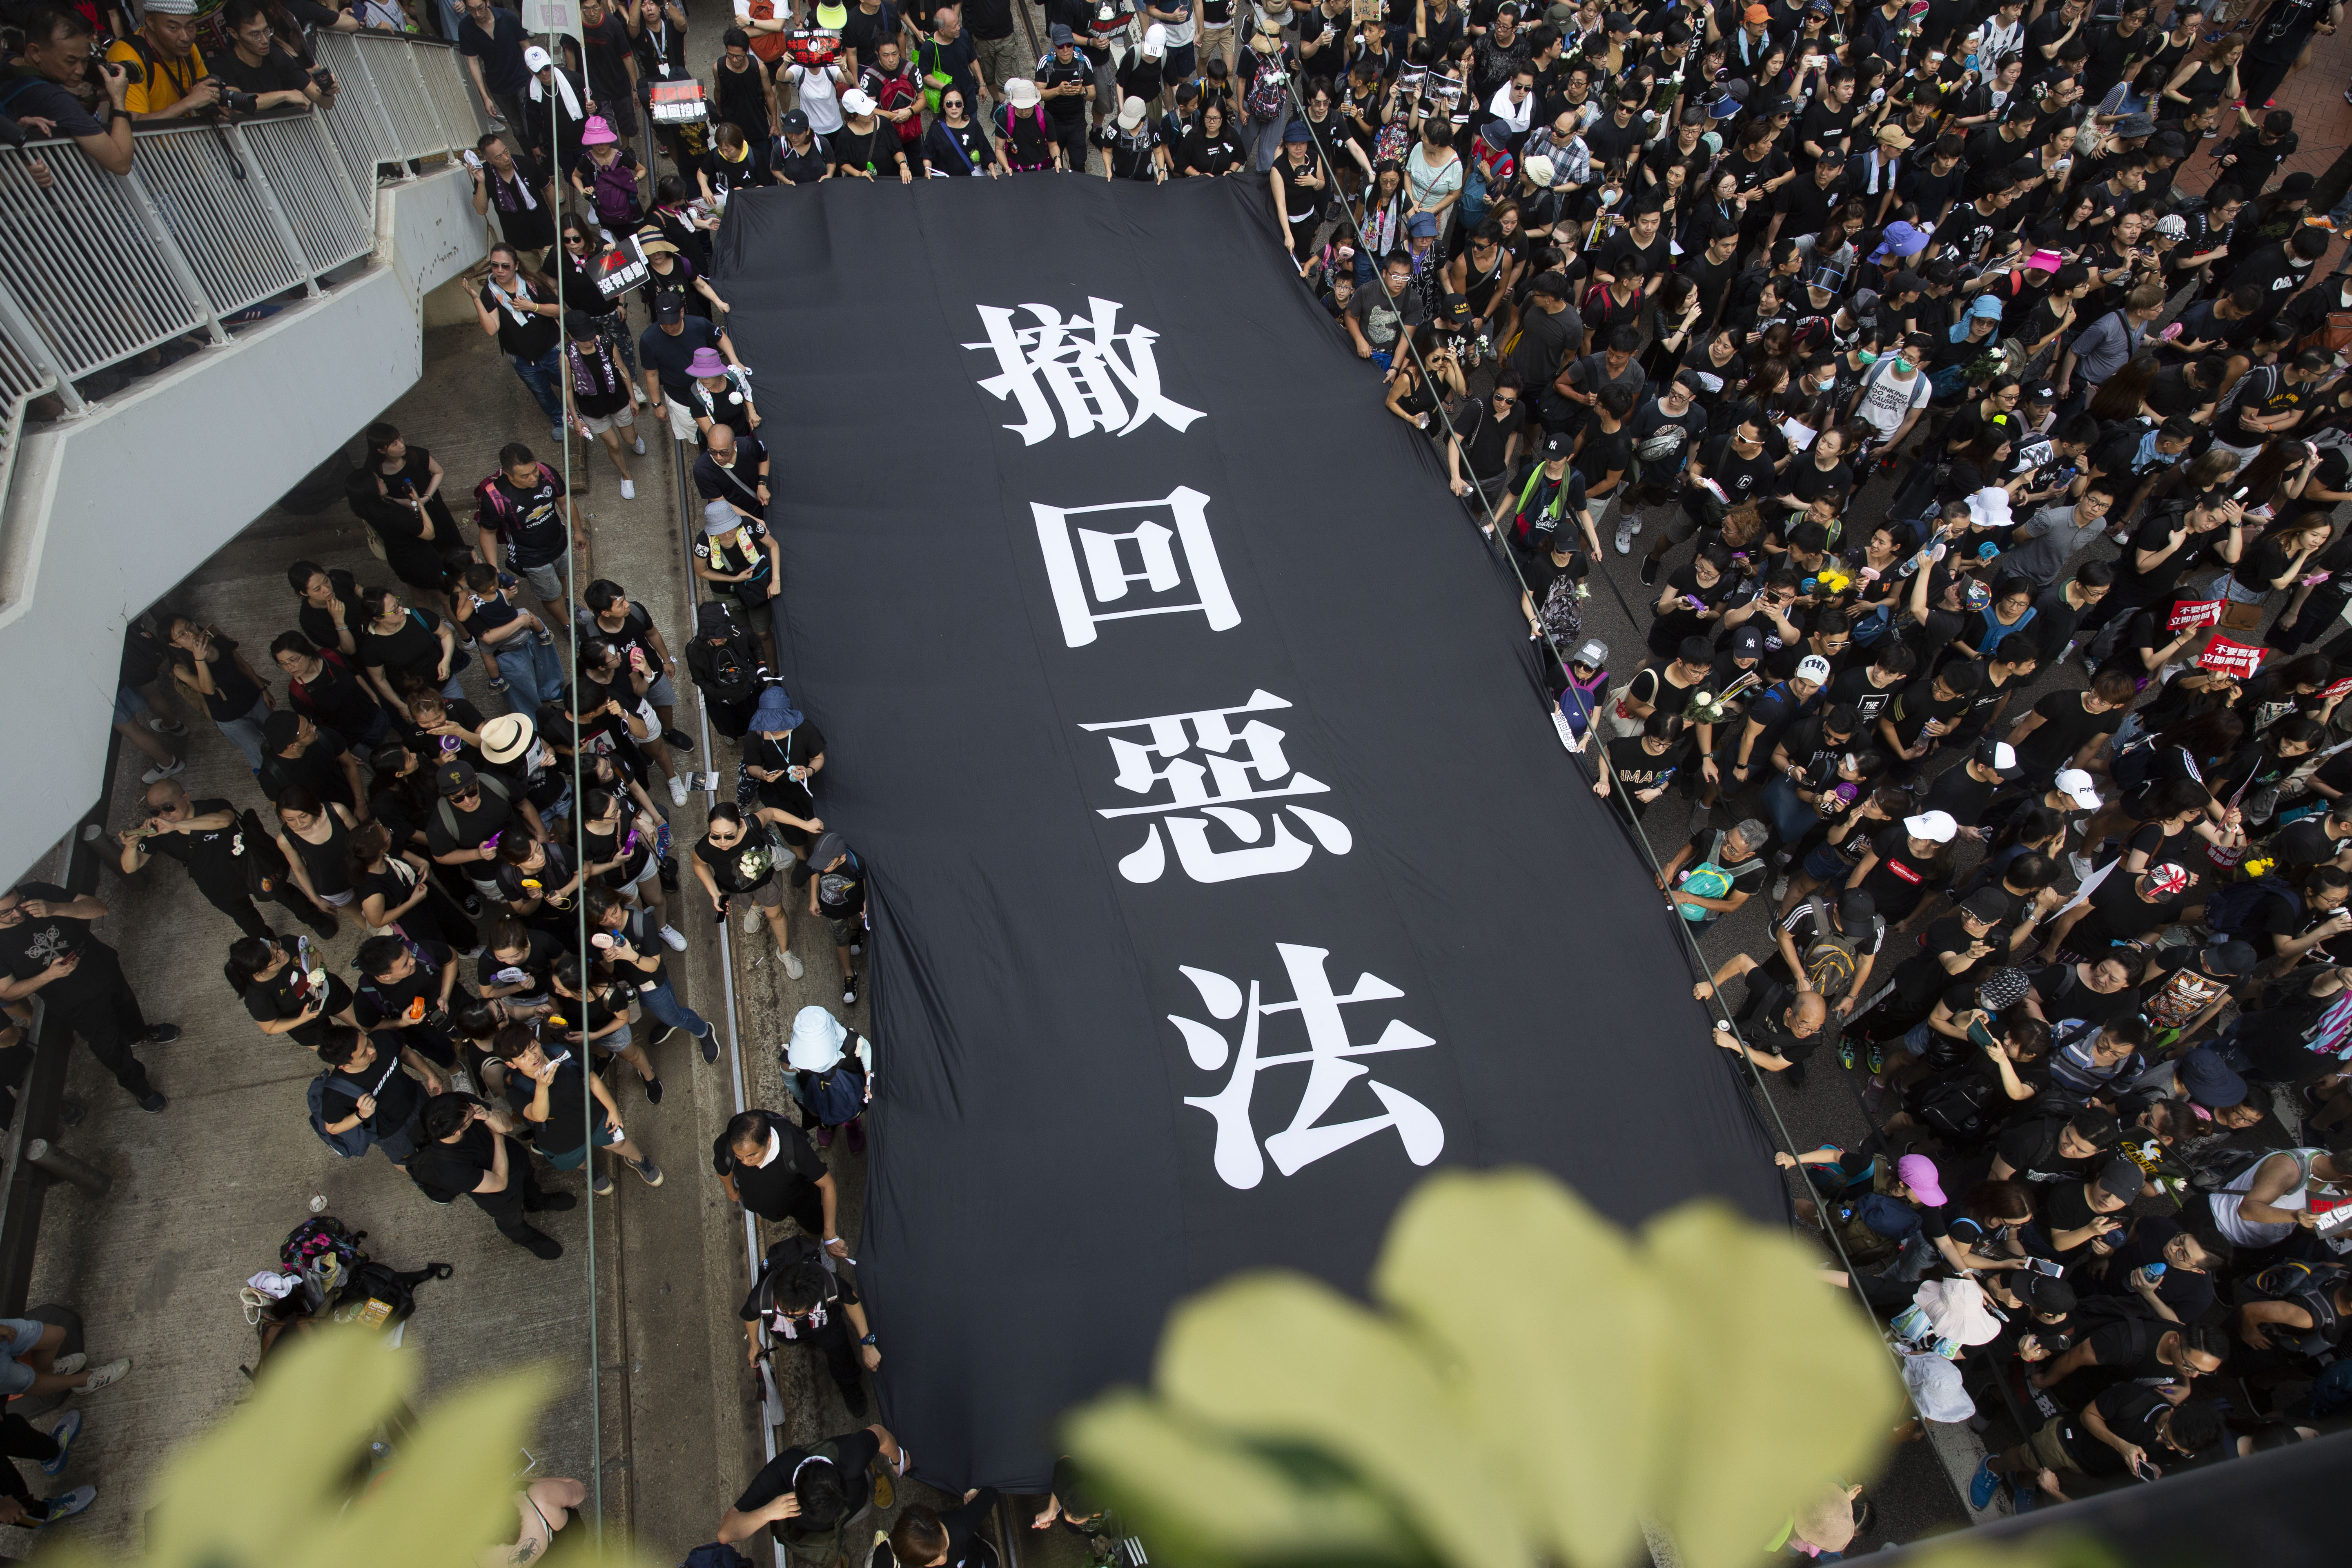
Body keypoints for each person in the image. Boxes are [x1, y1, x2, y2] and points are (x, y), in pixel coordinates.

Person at [0, 884, 176, 1113]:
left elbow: (99, 908)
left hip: (104, 969)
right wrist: (48, 975)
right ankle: (138, 1086)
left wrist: (56, 908)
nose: (18, 913)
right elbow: (8, 992)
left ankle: (139, 1034)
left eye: (19, 903)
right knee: (110, 1048)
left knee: (129, 1008)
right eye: (6, 912)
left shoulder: (37, 893)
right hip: (77, 1003)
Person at [494, 1025, 663, 1197]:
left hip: (592, 1116)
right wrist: (542, 1087)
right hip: (559, 1139)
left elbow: (591, 1079)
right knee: (576, 1159)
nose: (533, 1056)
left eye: (533, 1047)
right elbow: (539, 1116)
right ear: (511, 1064)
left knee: (618, 1142)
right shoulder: (516, 1088)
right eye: (523, 1056)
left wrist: (612, 1109)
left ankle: (638, 1160)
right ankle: (588, 1170)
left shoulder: (560, 1053)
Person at [406, 1094, 571, 1260]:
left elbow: (508, 1124)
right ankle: (525, 1237)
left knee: (530, 1183)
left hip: (518, 1162)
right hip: (500, 1196)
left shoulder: (461, 1105)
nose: (474, 1108)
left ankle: (536, 1202)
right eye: (470, 1113)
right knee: (511, 1220)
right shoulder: (450, 1168)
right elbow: (500, 1182)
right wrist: (498, 1137)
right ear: (457, 1132)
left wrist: (490, 1116)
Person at [717, 1424, 904, 1553]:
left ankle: (874, 1480)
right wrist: (767, 1512)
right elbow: (725, 1533)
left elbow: (879, 1434)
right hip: (820, 1532)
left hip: (858, 1504)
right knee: (833, 1546)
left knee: (865, 1497)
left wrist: (899, 1460)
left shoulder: (852, 1457)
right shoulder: (778, 1475)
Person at [694, 803, 822, 979]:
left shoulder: (752, 825)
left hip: (765, 881)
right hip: (737, 888)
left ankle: (784, 952)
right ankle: (756, 906)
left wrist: (805, 825)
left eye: (729, 836)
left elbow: (772, 812)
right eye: (716, 836)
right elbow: (699, 864)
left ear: (740, 824)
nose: (723, 842)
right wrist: (715, 893)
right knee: (751, 902)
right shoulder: (704, 848)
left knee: (776, 914)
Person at [470, 245, 567, 443]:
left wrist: (532, 306)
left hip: (551, 349)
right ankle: (558, 418)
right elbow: (491, 329)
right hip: (522, 358)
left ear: (515, 266)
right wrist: (476, 300)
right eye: (495, 266)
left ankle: (576, 410)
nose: (500, 271)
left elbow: (560, 310)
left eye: (505, 266)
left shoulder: (532, 283)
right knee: (541, 392)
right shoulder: (489, 293)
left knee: (566, 382)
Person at [715, 1103, 844, 1238]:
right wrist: (731, 1190)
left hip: (801, 1202)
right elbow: (723, 1167)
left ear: (769, 1141)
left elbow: (828, 1185)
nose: (745, 1162)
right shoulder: (725, 1144)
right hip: (762, 1206)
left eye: (752, 1155)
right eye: (739, 1156)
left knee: (813, 1228)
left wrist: (830, 1235)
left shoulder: (795, 1149)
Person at [786, 1003, 873, 1151]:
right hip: (815, 1096)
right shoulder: (790, 1057)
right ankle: (825, 1125)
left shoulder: (851, 1042)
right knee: (818, 1112)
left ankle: (851, 1123)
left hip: (848, 1091)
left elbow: (865, 1049)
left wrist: (868, 1078)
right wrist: (804, 1102)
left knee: (851, 1109)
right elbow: (789, 1079)